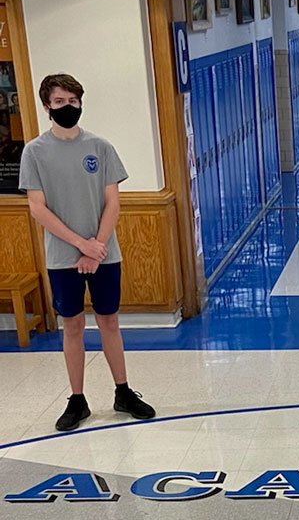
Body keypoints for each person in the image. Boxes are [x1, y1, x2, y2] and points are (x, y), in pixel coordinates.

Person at [19, 74, 156, 431]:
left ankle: (123, 392)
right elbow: (38, 208)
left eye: (74, 101)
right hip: (64, 256)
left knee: (110, 321)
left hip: (104, 254)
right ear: (47, 106)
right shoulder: (34, 151)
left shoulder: (100, 146)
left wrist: (97, 247)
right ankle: (77, 399)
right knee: (73, 325)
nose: (68, 108)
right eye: (60, 102)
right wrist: (82, 245)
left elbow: (113, 202)